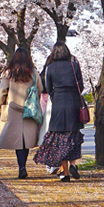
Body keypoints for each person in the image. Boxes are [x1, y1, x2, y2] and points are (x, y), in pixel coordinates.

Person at [34, 41, 85, 181]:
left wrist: (56, 96)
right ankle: (74, 164)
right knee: (73, 134)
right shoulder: (74, 66)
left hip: (58, 103)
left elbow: (48, 88)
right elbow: (81, 85)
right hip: (73, 102)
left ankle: (65, 173)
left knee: (60, 137)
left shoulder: (50, 68)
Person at [0, 47, 44, 179]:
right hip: (29, 109)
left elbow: (2, 91)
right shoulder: (33, 72)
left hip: (13, 109)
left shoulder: (8, 73)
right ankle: (23, 166)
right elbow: (40, 88)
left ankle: (21, 167)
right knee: (26, 140)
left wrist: (1, 103)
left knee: (18, 141)